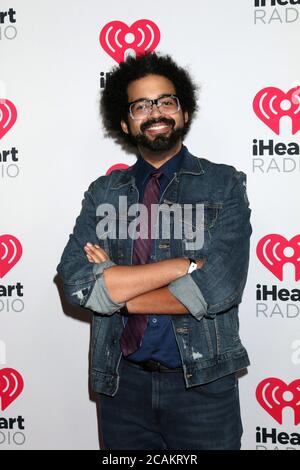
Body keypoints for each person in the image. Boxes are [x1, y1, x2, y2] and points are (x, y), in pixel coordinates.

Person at [56, 52, 252, 450]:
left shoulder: (224, 184)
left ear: (183, 112)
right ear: (126, 122)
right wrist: (182, 266)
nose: (155, 112)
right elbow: (78, 283)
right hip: (122, 385)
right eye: (141, 105)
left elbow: (218, 289)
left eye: (166, 101)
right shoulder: (103, 193)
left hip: (203, 386)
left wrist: (117, 293)